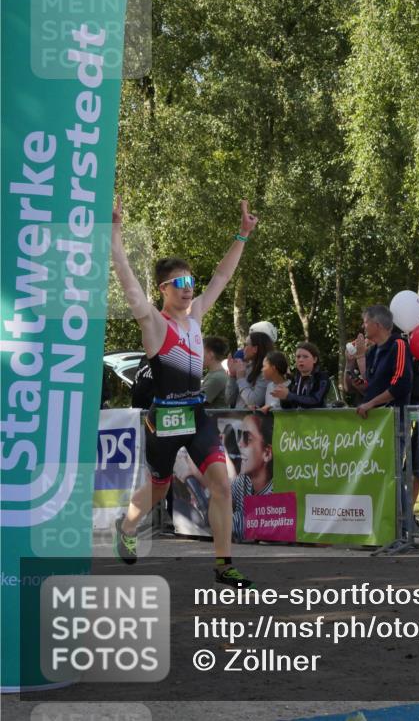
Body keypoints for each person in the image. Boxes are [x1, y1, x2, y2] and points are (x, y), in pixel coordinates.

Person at [109, 196, 257, 588]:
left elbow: (223, 277)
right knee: (157, 490)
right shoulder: (154, 324)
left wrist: (242, 234)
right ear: (163, 289)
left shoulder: (197, 318)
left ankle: (224, 565)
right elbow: (125, 278)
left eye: (192, 282)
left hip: (195, 416)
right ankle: (126, 524)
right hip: (163, 420)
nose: (190, 289)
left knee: (222, 484)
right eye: (182, 283)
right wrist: (115, 233)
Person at [231, 411, 274, 542]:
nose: (240, 444)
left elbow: (246, 527)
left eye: (247, 439)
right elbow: (219, 504)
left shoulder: (275, 493)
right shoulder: (243, 481)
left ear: (267, 453)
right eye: (239, 437)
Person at [272, 342, 331, 409]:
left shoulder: (322, 378)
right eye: (298, 357)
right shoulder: (295, 379)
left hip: (318, 418)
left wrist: (289, 395)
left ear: (314, 359)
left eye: (305, 357)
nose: (300, 360)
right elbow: (287, 406)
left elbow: (316, 401)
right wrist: (283, 397)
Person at [227, 330, 274, 409]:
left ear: (255, 349)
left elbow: (254, 401)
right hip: (238, 419)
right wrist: (232, 376)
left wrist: (241, 378)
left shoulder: (266, 371)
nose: (243, 349)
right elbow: (229, 400)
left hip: (254, 420)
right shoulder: (247, 368)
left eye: (246, 345)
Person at [201, 336, 230, 409]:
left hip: (216, 419)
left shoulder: (216, 377)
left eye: (201, 352)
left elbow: (198, 402)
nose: (198, 355)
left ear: (211, 355)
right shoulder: (215, 374)